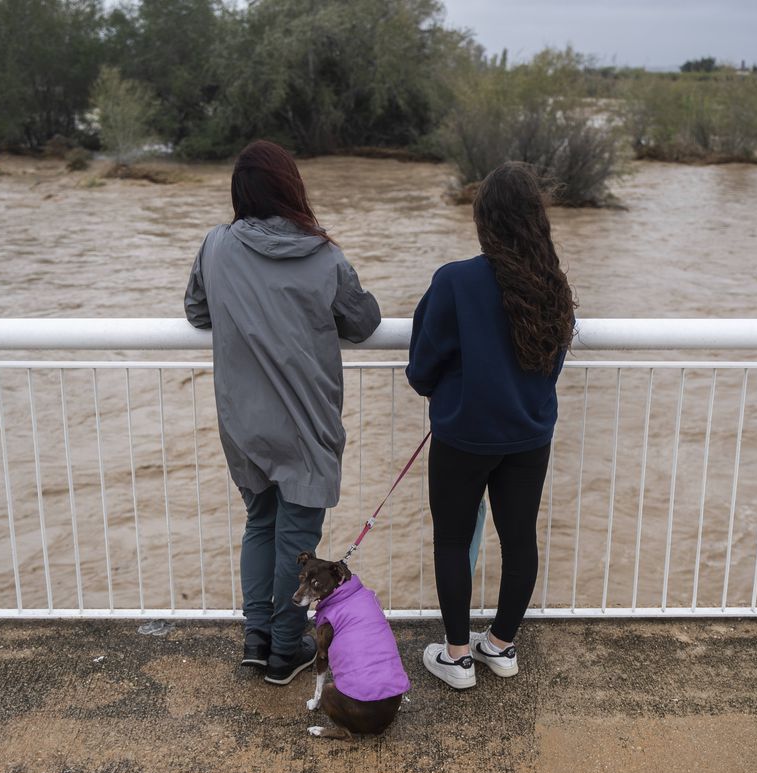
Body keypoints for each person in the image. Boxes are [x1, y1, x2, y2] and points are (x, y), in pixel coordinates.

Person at [184, 140, 381, 685]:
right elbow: (363, 322)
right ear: (292, 188)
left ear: (240, 193)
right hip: (306, 424)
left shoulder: (215, 247)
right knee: (297, 537)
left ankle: (257, 639)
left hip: (243, 422)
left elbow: (196, 310)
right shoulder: (324, 255)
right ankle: (284, 650)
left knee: (260, 523)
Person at [407, 162, 575, 690]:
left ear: (484, 220)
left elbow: (421, 369)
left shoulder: (455, 281)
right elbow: (552, 364)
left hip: (464, 434)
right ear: (535, 220)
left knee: (453, 540)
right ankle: (501, 647)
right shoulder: (552, 285)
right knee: (519, 538)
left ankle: (457, 657)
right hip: (529, 434)